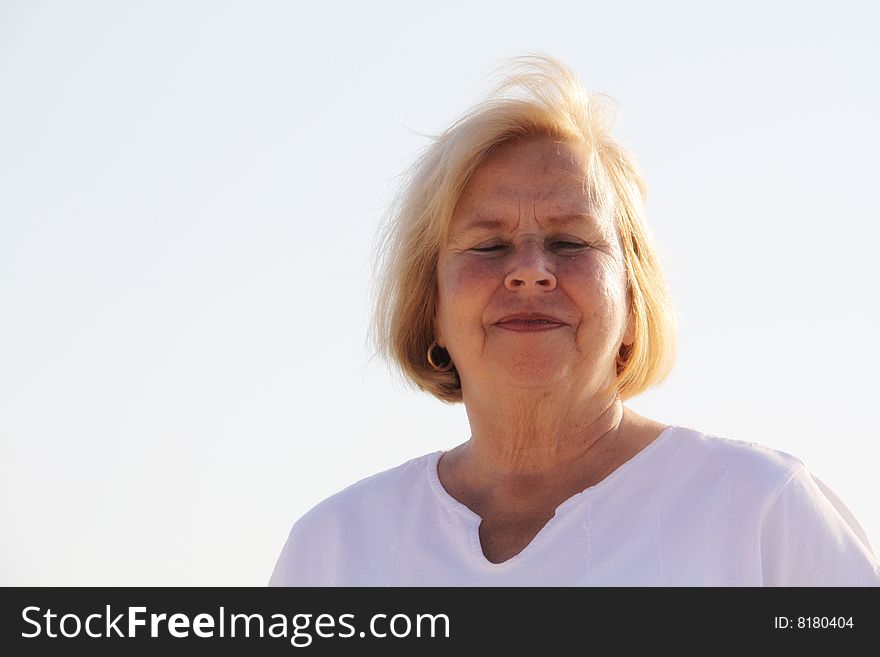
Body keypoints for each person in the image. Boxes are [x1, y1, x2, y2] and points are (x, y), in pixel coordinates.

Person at [269, 55, 880, 586]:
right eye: (487, 247)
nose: (531, 272)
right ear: (427, 307)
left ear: (634, 302)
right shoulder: (334, 551)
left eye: (569, 242)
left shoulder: (761, 510)